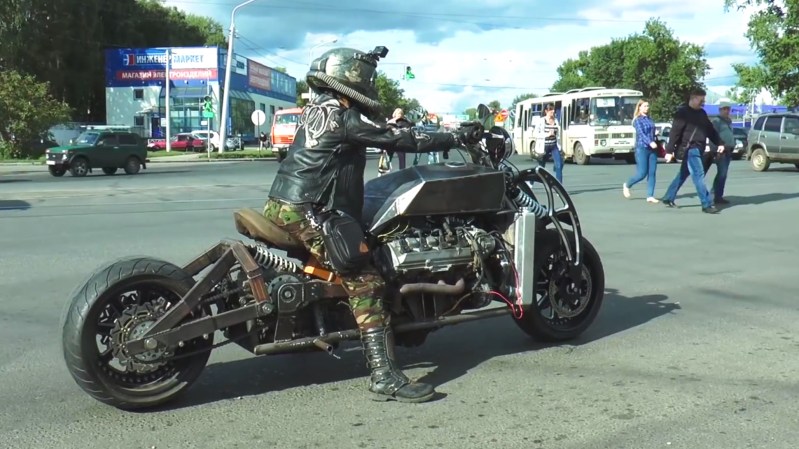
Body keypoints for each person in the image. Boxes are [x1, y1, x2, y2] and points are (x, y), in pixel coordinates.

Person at [262, 46, 483, 403]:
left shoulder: (317, 110)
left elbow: (383, 131)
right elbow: (402, 140)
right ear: (356, 79)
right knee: (366, 281)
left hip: (283, 203)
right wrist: (456, 137)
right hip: (310, 209)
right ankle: (385, 376)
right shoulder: (346, 117)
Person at [660, 87, 725, 214]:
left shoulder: (702, 113)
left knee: (683, 174)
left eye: (703, 99)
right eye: (701, 99)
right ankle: (706, 204)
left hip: (699, 149)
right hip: (690, 149)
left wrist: (719, 143)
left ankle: (668, 197)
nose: (703, 102)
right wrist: (669, 151)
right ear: (693, 98)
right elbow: (675, 132)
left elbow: (710, 130)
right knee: (698, 175)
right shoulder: (682, 113)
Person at [623, 99, 660, 203]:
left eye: (648, 106)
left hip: (652, 149)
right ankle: (627, 184)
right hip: (642, 148)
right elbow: (641, 134)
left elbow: (650, 131)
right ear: (639, 107)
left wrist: (655, 134)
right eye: (644, 106)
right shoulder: (637, 120)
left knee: (652, 172)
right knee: (642, 173)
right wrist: (650, 142)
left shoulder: (649, 119)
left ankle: (650, 196)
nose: (647, 108)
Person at [704, 100, 736, 205]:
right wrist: (716, 148)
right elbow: (713, 135)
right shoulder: (717, 121)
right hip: (720, 151)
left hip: (728, 150)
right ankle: (714, 196)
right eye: (724, 109)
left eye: (728, 109)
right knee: (722, 174)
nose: (727, 111)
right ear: (720, 110)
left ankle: (718, 196)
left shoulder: (728, 121)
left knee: (723, 174)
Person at [535, 103, 563, 183]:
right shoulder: (541, 121)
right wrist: (547, 134)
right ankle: (531, 182)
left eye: (553, 109)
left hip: (554, 146)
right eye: (550, 109)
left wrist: (560, 147)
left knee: (559, 165)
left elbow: (558, 134)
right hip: (544, 147)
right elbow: (535, 133)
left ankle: (559, 187)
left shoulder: (556, 120)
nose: (553, 111)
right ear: (546, 111)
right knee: (541, 167)